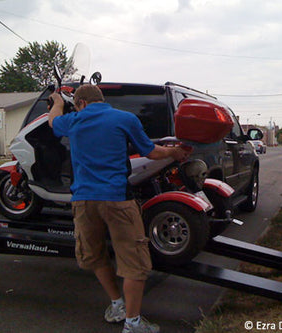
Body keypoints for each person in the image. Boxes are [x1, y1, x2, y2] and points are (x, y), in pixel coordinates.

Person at [48, 84, 191, 333]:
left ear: (80, 103)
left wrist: (57, 102)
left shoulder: (73, 120)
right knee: (133, 260)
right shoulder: (124, 118)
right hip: (117, 199)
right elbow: (151, 152)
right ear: (101, 100)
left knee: (94, 255)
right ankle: (132, 323)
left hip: (83, 201)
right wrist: (175, 152)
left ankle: (116, 304)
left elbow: (53, 122)